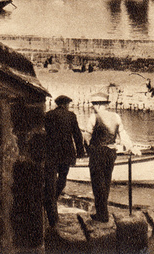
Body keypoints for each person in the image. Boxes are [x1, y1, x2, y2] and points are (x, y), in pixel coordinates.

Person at [83, 92, 139, 222]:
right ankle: (103, 212)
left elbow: (87, 137)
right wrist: (131, 147)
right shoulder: (116, 116)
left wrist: (88, 150)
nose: (93, 107)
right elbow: (123, 134)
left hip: (98, 153)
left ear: (98, 105)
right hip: (111, 153)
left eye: (94, 104)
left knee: (97, 183)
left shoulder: (94, 117)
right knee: (106, 183)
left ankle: (102, 215)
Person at [43, 95, 85, 229]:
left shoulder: (48, 115)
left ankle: (50, 203)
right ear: (66, 104)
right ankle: (53, 200)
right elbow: (77, 135)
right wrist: (80, 152)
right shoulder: (71, 116)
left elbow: (44, 133)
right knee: (62, 179)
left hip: (51, 152)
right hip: (66, 153)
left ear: (57, 104)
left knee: (50, 180)